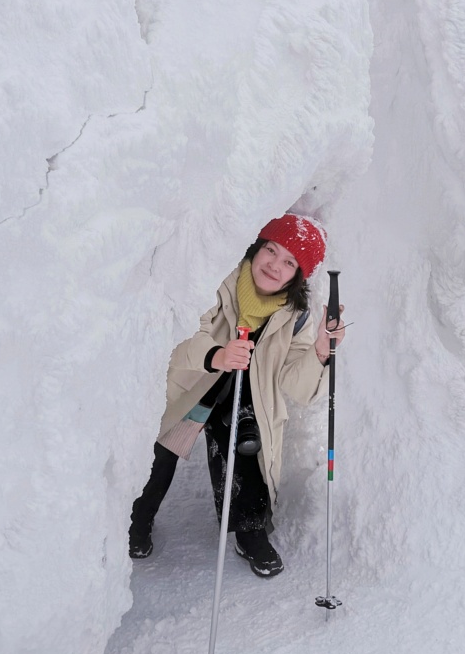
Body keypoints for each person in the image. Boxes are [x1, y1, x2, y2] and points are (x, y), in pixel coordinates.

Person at [128, 214, 345, 577]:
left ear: (297, 276)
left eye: (289, 262)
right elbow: (182, 333)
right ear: (256, 247)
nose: (275, 266)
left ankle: (250, 531)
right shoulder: (219, 281)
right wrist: (217, 355)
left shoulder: (296, 317)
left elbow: (296, 384)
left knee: (246, 445)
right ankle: (139, 515)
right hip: (197, 382)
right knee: (162, 452)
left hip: (244, 396)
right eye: (271, 251)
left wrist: (321, 351)